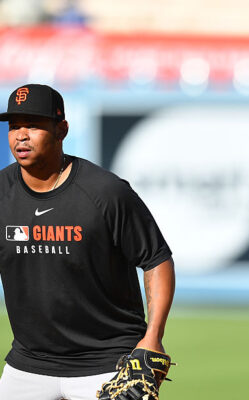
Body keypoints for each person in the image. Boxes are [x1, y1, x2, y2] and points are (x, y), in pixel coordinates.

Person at [0, 83, 175, 399]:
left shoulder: (106, 193)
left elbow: (156, 259)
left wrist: (153, 336)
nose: (20, 135)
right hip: (27, 366)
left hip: (107, 363)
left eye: (34, 125)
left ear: (61, 129)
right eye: (14, 126)